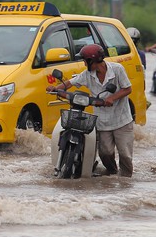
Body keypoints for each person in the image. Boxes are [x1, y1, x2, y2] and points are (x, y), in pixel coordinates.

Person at [46, 44, 135, 177]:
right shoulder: (87, 74)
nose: (83, 63)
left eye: (84, 60)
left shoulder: (117, 69)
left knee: (125, 155)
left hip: (122, 120)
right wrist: (56, 88)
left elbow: (127, 89)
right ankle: (112, 175)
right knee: (105, 153)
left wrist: (112, 98)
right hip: (102, 121)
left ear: (91, 61)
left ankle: (126, 181)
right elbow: (71, 82)